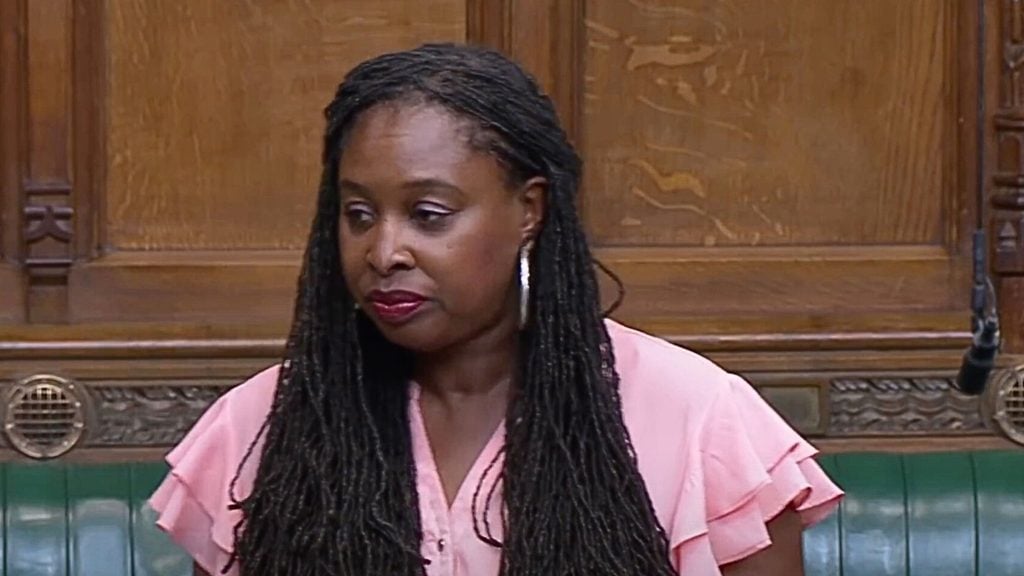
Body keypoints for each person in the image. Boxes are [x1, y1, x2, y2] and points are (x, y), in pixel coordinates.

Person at [149, 43, 842, 576]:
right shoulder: (254, 431)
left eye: (428, 214)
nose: (383, 250)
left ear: (528, 211)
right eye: (358, 214)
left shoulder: (702, 424)